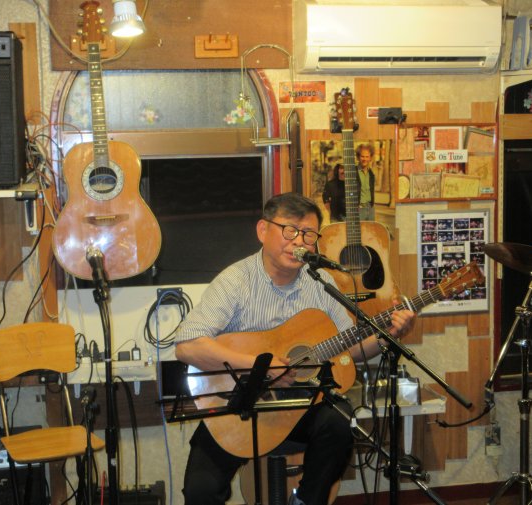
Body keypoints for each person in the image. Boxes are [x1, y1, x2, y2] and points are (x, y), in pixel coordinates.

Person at [175, 192, 416, 505]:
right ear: (263, 230)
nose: (299, 242)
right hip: (238, 405)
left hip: (300, 406)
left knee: (339, 423)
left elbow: (349, 349)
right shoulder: (235, 281)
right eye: (289, 230)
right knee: (201, 490)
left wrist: (388, 336)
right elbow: (187, 346)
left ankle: (305, 501)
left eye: (308, 234)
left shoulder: (321, 282)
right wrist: (259, 365)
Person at [356, 143, 376, 221]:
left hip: (370, 208)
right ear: (358, 157)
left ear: (370, 158)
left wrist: (372, 206)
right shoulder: (353, 172)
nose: (365, 159)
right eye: (362, 156)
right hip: (359, 209)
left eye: (367, 156)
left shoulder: (371, 173)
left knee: (371, 229)